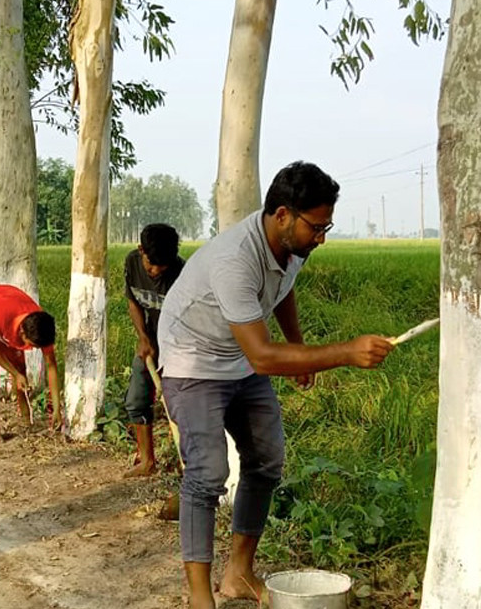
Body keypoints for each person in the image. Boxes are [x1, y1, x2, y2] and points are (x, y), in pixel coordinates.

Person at [157, 161, 394, 607]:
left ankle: (238, 576)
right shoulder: (234, 259)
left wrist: (299, 349)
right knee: (208, 474)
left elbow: (282, 292)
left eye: (327, 226)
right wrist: (343, 353)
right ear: (283, 214)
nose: (321, 237)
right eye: (316, 226)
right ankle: (197, 596)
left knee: (266, 461)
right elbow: (263, 357)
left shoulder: (292, 248)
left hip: (240, 357)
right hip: (194, 360)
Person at [122, 223, 185, 478]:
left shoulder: (183, 271)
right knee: (137, 400)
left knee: (181, 406)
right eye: (152, 265)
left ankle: (188, 468)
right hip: (152, 343)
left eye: (163, 266)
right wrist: (144, 338)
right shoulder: (132, 262)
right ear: (141, 251)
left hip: (181, 346)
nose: (156, 271)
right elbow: (133, 302)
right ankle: (147, 461)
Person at [0, 285, 62, 442]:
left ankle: (26, 421)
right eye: (33, 345)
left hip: (7, 306)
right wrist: (15, 374)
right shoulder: (1, 316)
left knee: (20, 366)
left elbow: (51, 366)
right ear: (22, 333)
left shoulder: (41, 326)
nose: (35, 349)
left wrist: (57, 409)